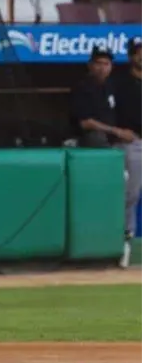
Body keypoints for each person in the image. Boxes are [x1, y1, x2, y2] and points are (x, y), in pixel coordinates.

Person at [112, 40, 142, 268]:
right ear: (131, 56)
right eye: (139, 53)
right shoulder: (120, 82)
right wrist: (117, 132)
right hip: (133, 143)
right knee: (130, 195)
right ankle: (124, 244)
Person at [70, 46, 128, 148]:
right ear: (90, 65)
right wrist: (116, 131)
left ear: (111, 66)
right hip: (92, 137)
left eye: (106, 64)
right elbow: (85, 123)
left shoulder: (112, 85)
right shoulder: (82, 87)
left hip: (114, 136)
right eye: (98, 63)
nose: (102, 68)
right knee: (96, 137)